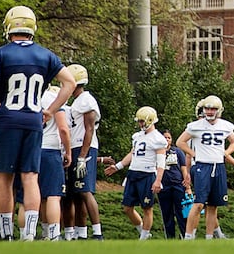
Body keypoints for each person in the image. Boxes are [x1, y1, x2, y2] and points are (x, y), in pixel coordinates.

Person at [0, 4, 74, 242]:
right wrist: (49, 110)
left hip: (8, 118)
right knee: (30, 177)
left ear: (10, 27)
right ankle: (29, 232)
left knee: (4, 178)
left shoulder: (1, 53)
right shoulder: (46, 55)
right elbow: (69, 83)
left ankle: (7, 232)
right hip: (33, 118)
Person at [182, 95, 234, 239]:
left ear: (219, 110)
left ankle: (209, 237)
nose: (209, 111)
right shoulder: (196, 126)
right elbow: (180, 142)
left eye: (212, 108)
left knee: (213, 205)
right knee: (199, 204)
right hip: (203, 166)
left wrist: (225, 153)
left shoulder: (225, 125)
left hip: (218, 166)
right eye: (207, 108)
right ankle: (189, 236)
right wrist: (194, 154)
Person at [104, 106, 165, 239]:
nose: (140, 124)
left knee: (147, 208)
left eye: (142, 121)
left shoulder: (158, 138)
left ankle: (142, 239)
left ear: (150, 120)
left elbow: (161, 163)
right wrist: (118, 166)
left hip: (147, 175)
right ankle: (143, 232)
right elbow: (133, 154)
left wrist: (158, 180)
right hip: (133, 173)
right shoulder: (137, 136)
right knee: (127, 208)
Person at [62, 64, 101, 240]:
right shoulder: (77, 101)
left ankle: (97, 232)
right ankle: (81, 233)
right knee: (76, 193)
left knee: (85, 191)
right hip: (76, 148)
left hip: (84, 148)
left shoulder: (86, 100)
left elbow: (89, 130)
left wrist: (83, 157)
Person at [36, 79, 74, 241]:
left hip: (32, 149)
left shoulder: (29, 98)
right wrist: (68, 152)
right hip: (51, 149)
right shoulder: (53, 98)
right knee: (53, 195)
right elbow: (63, 129)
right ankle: (53, 234)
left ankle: (40, 232)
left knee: (37, 196)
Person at [156, 129, 189, 239]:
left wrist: (187, 185)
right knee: (167, 213)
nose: (166, 139)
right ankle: (170, 237)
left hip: (177, 185)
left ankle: (185, 235)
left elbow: (183, 168)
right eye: (164, 137)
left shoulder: (177, 151)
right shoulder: (156, 152)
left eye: (168, 137)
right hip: (163, 187)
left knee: (181, 212)